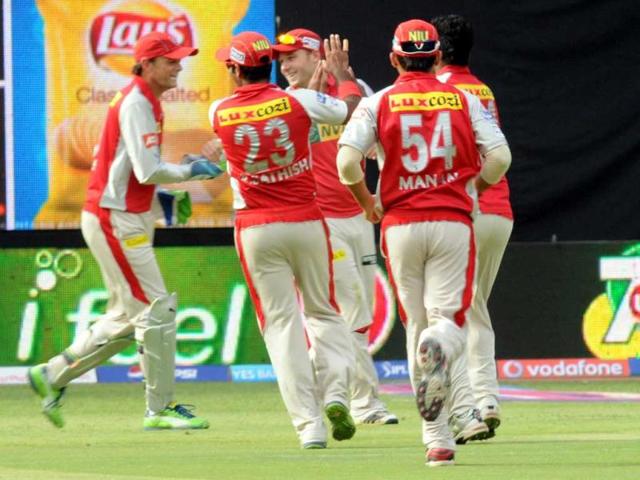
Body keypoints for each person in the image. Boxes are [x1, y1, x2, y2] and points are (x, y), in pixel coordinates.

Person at [336, 19, 511, 466]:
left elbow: (347, 162)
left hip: (400, 224)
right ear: (436, 58)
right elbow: (502, 157)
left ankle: (437, 440)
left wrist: (368, 203)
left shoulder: (378, 103)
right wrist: (474, 188)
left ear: (395, 59)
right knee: (449, 320)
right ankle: (442, 352)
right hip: (452, 220)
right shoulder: (464, 99)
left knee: (416, 324)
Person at [27, 32, 223, 430]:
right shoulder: (136, 103)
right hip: (113, 218)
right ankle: (160, 409)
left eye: (180, 60)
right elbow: (146, 169)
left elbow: (127, 167)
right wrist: (188, 172)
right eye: (171, 61)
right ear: (147, 65)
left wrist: (163, 198)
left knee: (127, 317)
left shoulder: (144, 101)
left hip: (123, 214)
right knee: (158, 308)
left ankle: (52, 375)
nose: (179, 67)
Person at [210, 31, 362, 449]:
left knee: (281, 326)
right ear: (269, 66)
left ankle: (309, 426)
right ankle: (335, 395)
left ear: (236, 70)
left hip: (256, 227)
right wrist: (342, 76)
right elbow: (348, 110)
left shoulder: (218, 110)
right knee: (326, 314)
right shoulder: (298, 101)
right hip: (306, 220)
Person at [273, 28, 398, 425]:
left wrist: (381, 202)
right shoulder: (286, 101)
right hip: (317, 219)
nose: (285, 65)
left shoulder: (354, 88)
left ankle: (323, 391)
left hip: (359, 216)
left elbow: (379, 148)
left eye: (293, 56)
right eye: (281, 59)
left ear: (317, 55)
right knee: (345, 312)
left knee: (361, 311)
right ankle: (357, 402)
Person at [432, 14, 513, 437]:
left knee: (452, 312)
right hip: (500, 212)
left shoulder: (442, 93)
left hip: (465, 209)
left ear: (439, 51)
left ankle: (470, 405)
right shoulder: (482, 88)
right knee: (476, 308)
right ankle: (487, 398)